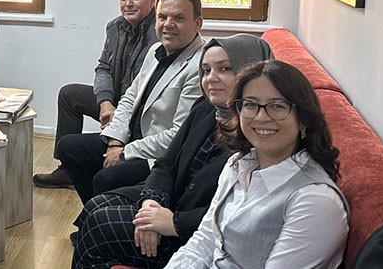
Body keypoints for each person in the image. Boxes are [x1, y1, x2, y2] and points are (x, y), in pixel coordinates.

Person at [72, 34, 273, 268]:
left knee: (100, 225)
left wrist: (173, 222)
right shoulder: (206, 108)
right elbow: (167, 164)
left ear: (253, 71)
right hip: (171, 202)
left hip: (196, 235)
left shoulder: (262, 131)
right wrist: (152, 203)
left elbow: (240, 211)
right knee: (95, 206)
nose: (211, 78)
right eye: (206, 70)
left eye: (225, 68)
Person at [165, 60, 349, 268]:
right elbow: (205, 241)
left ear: (303, 119)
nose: (261, 117)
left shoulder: (315, 201)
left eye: (277, 106)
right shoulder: (238, 164)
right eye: (250, 105)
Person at [57, 0, 206, 205]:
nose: (168, 24)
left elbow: (178, 136)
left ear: (197, 23)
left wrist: (125, 152)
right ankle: (95, 212)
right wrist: (115, 140)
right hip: (132, 137)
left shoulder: (200, 66)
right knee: (68, 147)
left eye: (179, 18)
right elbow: (129, 98)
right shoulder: (155, 50)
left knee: (105, 178)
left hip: (161, 155)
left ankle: (100, 213)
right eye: (162, 17)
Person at [34, 0, 158, 189]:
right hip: (115, 101)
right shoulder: (114, 27)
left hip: (140, 109)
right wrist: (105, 102)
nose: (128, 3)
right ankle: (67, 170)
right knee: (69, 94)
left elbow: (149, 87)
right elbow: (103, 68)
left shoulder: (160, 31)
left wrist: (120, 113)